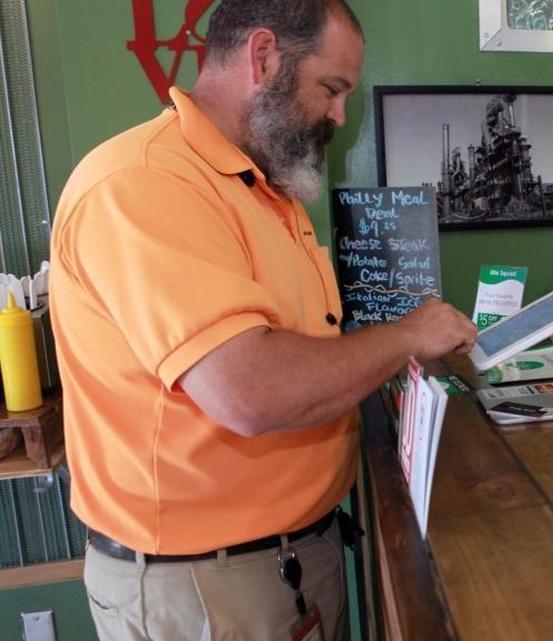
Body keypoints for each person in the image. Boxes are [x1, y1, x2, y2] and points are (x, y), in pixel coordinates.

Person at [49, 1, 477, 639]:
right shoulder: (145, 184)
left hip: (287, 561)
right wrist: (409, 335)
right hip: (208, 587)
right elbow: (250, 390)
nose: (338, 114)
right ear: (263, 56)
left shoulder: (264, 188)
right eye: (331, 88)